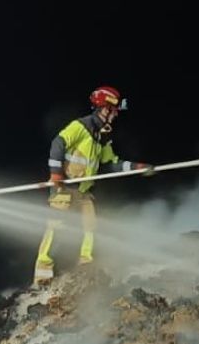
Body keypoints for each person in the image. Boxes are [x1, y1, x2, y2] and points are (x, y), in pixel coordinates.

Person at [34, 85, 150, 284]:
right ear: (103, 109)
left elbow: (112, 164)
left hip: (83, 192)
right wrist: (56, 174)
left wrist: (136, 167)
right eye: (113, 111)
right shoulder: (80, 126)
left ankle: (85, 267)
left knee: (90, 228)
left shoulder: (101, 137)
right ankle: (42, 275)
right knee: (56, 229)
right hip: (63, 189)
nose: (115, 115)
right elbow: (58, 144)